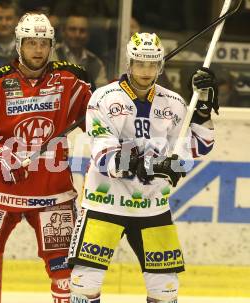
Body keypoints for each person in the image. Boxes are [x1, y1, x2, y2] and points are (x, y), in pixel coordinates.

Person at [67, 32, 218, 303]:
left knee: (165, 287)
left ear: (160, 65)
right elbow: (105, 158)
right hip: (104, 203)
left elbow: (197, 148)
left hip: (152, 206)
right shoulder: (103, 98)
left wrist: (203, 112)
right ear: (129, 63)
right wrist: (152, 164)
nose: (146, 71)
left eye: (152, 64)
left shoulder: (174, 103)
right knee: (84, 281)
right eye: (140, 63)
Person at [0, 13, 92, 303]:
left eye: (43, 43)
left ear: (51, 45)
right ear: (19, 45)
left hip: (52, 192)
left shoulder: (72, 79)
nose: (37, 49)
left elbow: (103, 115)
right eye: (31, 42)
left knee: (66, 274)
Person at [53, 12, 108, 88]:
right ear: (63, 31)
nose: (77, 35)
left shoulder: (96, 63)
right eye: (72, 29)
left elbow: (101, 93)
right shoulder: (51, 55)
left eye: (82, 30)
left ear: (88, 34)